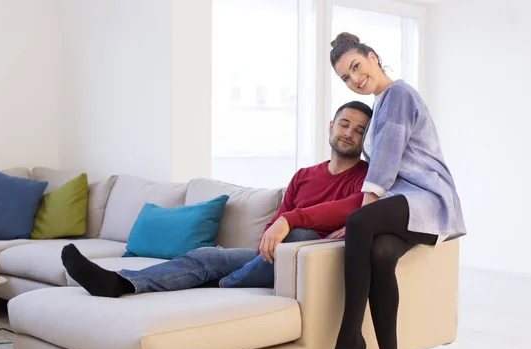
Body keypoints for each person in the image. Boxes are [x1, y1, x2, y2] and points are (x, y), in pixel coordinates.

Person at [61, 101, 373, 297]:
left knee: (298, 236)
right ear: (332, 127)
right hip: (268, 258)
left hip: (304, 263)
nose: (349, 133)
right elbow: (274, 223)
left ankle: (223, 284)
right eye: (344, 124)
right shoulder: (305, 174)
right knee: (207, 256)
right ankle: (120, 283)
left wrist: (288, 224)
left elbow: (350, 210)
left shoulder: (367, 179)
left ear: (365, 140)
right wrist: (272, 232)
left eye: (359, 130)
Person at [317, 33, 467, 349]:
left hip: (428, 199)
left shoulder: (398, 94)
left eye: (356, 67)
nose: (354, 79)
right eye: (346, 78)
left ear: (372, 57)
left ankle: (349, 337)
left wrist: (362, 219)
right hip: (405, 204)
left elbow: (384, 164)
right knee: (380, 254)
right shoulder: (381, 104)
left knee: (358, 223)